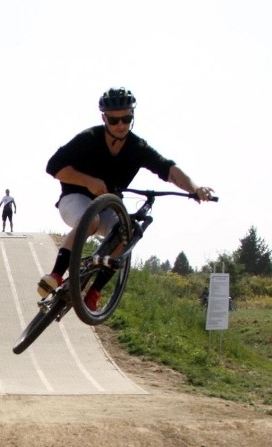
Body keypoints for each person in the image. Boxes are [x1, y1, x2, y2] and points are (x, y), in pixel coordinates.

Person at [39, 87, 214, 309]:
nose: (121, 125)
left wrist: (195, 188)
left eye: (127, 118)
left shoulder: (136, 147)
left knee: (127, 234)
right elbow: (53, 166)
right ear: (104, 118)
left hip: (107, 206)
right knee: (89, 221)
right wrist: (88, 181)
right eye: (114, 120)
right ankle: (55, 274)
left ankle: (94, 292)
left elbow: (167, 168)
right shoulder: (88, 139)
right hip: (75, 199)